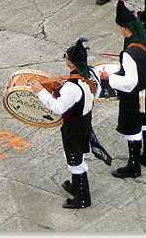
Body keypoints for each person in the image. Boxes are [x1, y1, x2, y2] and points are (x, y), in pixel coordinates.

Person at [30, 38, 99, 209]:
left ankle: (83, 199)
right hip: (85, 120)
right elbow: (97, 93)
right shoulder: (93, 74)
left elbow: (58, 107)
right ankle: (76, 186)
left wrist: (40, 92)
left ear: (71, 64)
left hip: (73, 126)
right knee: (74, 155)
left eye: (66, 57)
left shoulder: (71, 87)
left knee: (75, 160)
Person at [99, 0, 146, 178]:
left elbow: (130, 83)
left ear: (124, 28)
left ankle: (133, 167)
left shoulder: (129, 53)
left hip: (134, 97)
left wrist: (110, 78)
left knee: (133, 129)